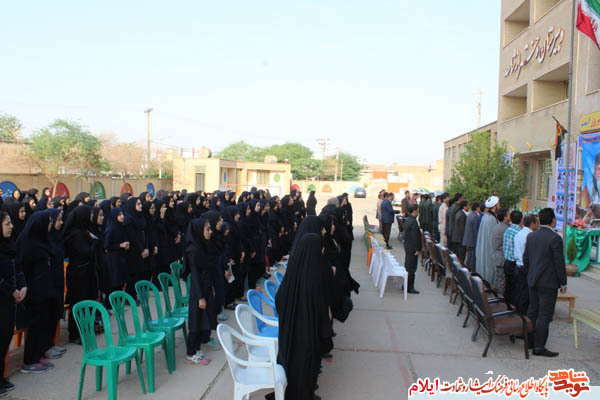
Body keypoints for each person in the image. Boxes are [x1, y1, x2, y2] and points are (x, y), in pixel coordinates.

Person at [276, 233, 331, 400]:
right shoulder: (315, 277)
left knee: (293, 364)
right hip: (308, 333)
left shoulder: (293, 271)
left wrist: (289, 318)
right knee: (307, 365)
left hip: (290, 333)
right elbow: (321, 309)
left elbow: (279, 299)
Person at [15, 210, 56, 372]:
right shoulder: (28, 243)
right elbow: (22, 268)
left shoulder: (41, 241)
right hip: (33, 293)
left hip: (43, 291)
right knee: (34, 325)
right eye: (48, 222)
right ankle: (29, 360)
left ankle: (37, 356)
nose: (50, 225)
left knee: (42, 323)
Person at [524, 208, 567, 357]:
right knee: (544, 314)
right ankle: (539, 346)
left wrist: (530, 274)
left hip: (533, 280)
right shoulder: (555, 238)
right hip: (548, 283)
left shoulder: (532, 236)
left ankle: (529, 341)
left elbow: (526, 258)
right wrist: (563, 282)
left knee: (532, 311)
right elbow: (559, 262)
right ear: (553, 220)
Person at [64, 205, 99, 343]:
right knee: (78, 303)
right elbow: (86, 252)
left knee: (87, 302)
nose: (92, 217)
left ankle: (86, 330)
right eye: (89, 214)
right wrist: (94, 241)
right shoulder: (75, 234)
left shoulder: (84, 232)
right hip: (78, 274)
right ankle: (75, 334)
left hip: (86, 272)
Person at [184, 218, 217, 365]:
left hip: (205, 286)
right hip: (198, 290)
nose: (211, 232)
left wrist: (211, 287)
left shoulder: (201, 245)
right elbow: (195, 275)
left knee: (203, 319)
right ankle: (190, 353)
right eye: (207, 229)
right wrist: (200, 297)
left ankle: (197, 349)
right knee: (195, 321)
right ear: (198, 231)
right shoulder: (193, 250)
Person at [0, 211, 27, 393]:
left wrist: (23, 286)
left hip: (9, 302)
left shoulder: (9, 245)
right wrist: (11, 290)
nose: (12, 226)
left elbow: (17, 267)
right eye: (7, 223)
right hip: (3, 298)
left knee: (5, 338)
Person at [513, 214, 538, 315]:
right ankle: (523, 317)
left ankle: (519, 314)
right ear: (532, 224)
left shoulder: (519, 234)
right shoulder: (530, 236)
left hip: (518, 265)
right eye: (537, 222)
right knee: (526, 295)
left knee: (519, 293)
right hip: (525, 267)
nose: (538, 225)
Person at [475, 196, 499, 284]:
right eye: (498, 205)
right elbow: (491, 239)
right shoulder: (490, 219)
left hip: (484, 248)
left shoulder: (486, 217)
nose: (499, 207)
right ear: (494, 206)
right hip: (488, 249)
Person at [502, 210, 523, 306]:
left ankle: (507, 305)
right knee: (516, 287)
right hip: (514, 263)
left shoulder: (507, 230)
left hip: (507, 261)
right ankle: (514, 307)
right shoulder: (519, 232)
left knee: (508, 286)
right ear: (521, 220)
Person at [403, 205, 421, 294]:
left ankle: (405, 285)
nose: (418, 212)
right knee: (411, 268)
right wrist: (416, 249)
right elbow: (415, 237)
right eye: (418, 211)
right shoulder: (413, 222)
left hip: (408, 246)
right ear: (414, 211)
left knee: (408, 267)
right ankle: (410, 287)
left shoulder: (408, 220)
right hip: (412, 248)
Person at [491, 208, 510, 295]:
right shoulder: (506, 228)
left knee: (498, 277)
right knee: (502, 280)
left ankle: (496, 295)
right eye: (508, 214)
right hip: (502, 257)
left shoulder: (496, 226)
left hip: (496, 255)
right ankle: (500, 297)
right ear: (505, 217)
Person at [462, 202, 480, 269]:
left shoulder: (470, 214)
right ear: (477, 208)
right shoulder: (475, 216)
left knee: (469, 257)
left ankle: (468, 269)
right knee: (471, 258)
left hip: (468, 239)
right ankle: (470, 270)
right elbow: (475, 230)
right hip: (472, 240)